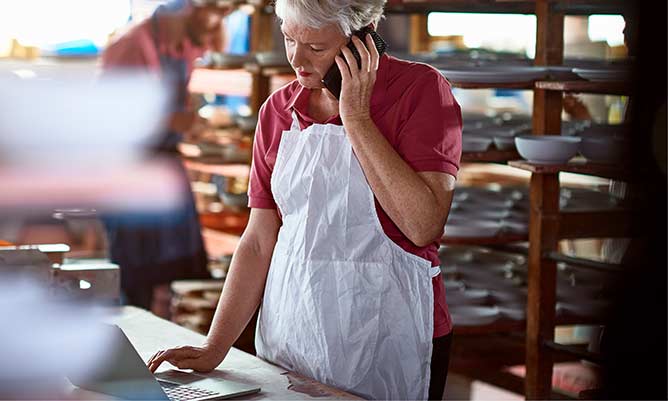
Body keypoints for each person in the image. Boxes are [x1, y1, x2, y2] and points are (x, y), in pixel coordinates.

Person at [147, 0, 462, 399]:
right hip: (293, 334)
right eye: (288, 38)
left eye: (316, 48)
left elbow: (423, 225)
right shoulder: (277, 110)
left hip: (390, 334)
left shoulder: (421, 91)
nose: (297, 59)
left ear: (363, 39)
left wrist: (357, 119)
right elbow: (260, 240)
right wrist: (215, 346)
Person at [100, 0, 239, 309]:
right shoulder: (131, 47)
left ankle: (179, 342)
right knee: (137, 277)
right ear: (195, 6)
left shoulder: (184, 41)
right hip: (129, 170)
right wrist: (172, 121)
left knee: (183, 267)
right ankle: (135, 347)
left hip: (164, 162)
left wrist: (193, 122)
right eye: (220, 14)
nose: (219, 25)